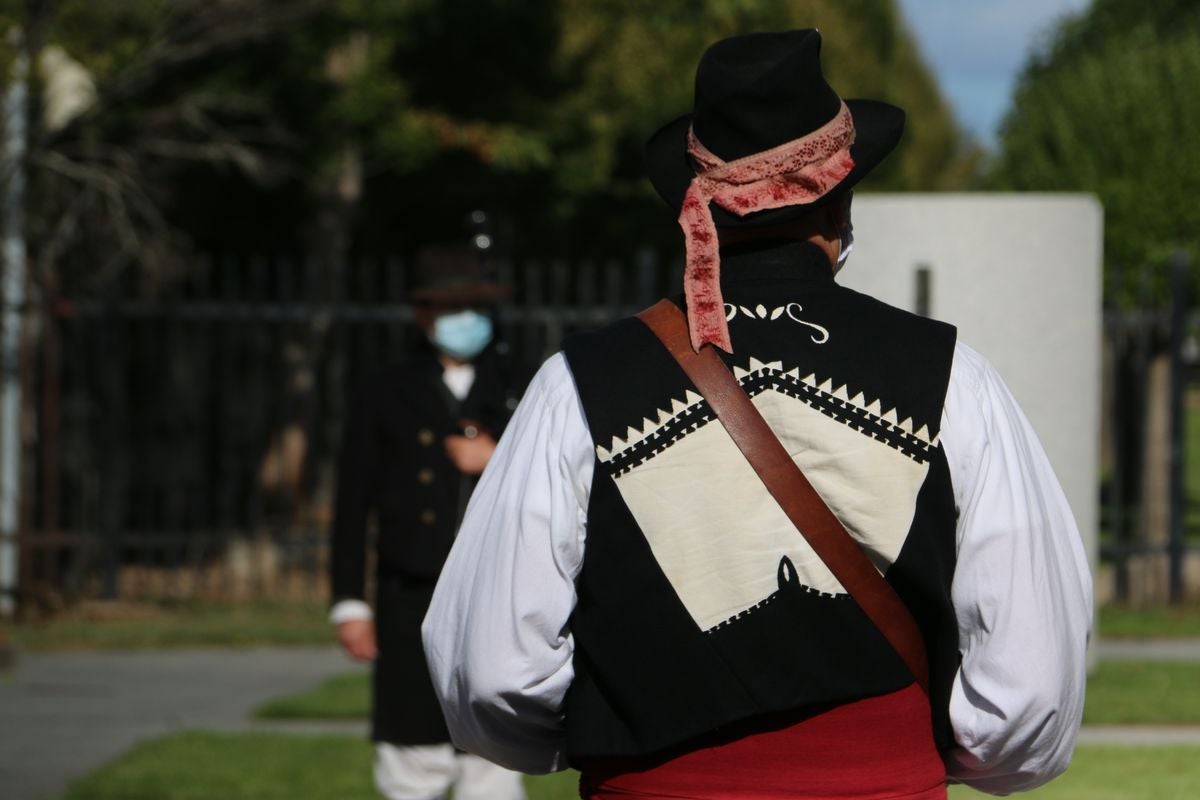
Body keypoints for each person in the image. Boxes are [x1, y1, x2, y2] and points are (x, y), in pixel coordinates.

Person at [422, 30, 1092, 800]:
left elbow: (490, 670)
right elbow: (1031, 684)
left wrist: (622, 745)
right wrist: (905, 757)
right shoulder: (953, 379)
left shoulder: (575, 384)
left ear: (696, 205)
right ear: (841, 202)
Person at [329, 242, 527, 800]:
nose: (466, 321)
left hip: (494, 592)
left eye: (475, 308)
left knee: (491, 750)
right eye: (449, 308)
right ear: (422, 315)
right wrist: (349, 603)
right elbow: (352, 504)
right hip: (409, 590)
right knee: (413, 750)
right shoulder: (384, 391)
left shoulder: (520, 388)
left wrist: (496, 459)